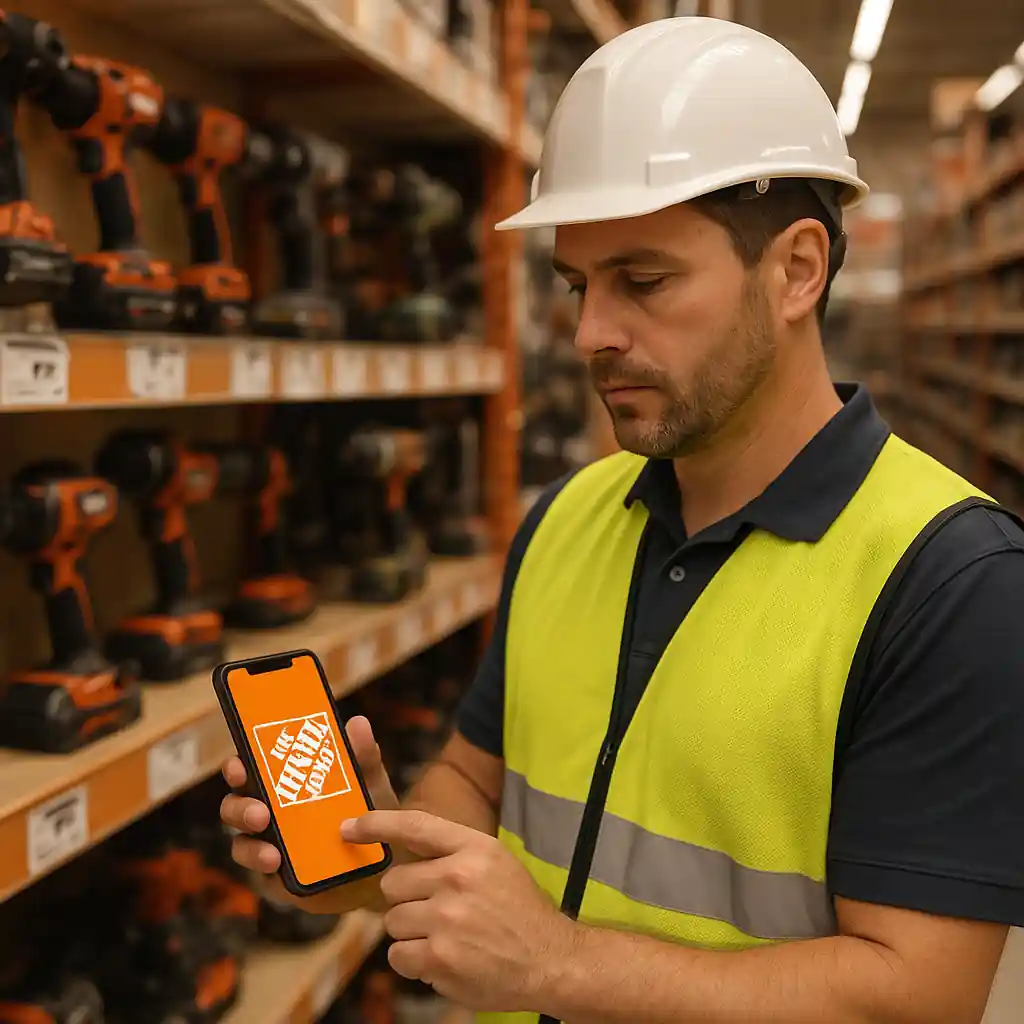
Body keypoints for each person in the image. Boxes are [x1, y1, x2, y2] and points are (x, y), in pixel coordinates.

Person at [220, 17, 1024, 1024]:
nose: (590, 333)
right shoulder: (567, 517)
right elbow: (476, 775)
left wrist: (556, 964)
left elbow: (912, 997)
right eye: (575, 285)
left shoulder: (950, 579)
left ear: (797, 270)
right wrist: (379, 853)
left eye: (642, 281)